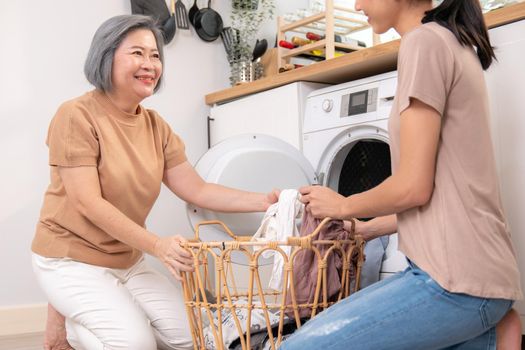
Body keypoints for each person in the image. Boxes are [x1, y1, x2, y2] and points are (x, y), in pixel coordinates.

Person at [281, 0, 523, 349]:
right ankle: (489, 337)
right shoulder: (448, 41)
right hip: (471, 274)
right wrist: (367, 229)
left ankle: (487, 334)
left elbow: (413, 187)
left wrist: (343, 205)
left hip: (454, 282)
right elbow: (444, 193)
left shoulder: (423, 42)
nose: (357, 4)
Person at [31, 15, 278, 350]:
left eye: (155, 55)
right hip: (71, 259)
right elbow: (87, 202)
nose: (149, 64)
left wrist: (266, 201)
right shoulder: (75, 115)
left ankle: (92, 309)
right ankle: (70, 322)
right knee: (135, 344)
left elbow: (197, 189)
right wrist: (158, 246)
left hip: (127, 260)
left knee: (192, 339)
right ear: (106, 56)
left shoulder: (155, 126)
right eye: (137, 53)